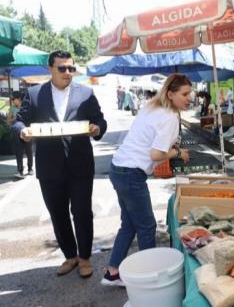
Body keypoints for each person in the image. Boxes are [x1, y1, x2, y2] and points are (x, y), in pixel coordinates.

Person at [13, 50, 107, 278]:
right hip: (49, 167)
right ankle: (70, 256)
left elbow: (100, 120)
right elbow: (18, 121)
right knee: (58, 213)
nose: (67, 72)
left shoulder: (85, 93)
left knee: (82, 212)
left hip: (80, 165)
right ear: (50, 69)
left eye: (71, 68)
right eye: (62, 68)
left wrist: (97, 129)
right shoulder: (35, 94)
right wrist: (22, 131)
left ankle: (84, 257)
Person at [101, 73, 192, 286]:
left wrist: (173, 148)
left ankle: (113, 272)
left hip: (119, 168)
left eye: (190, 94)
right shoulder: (169, 117)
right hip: (132, 173)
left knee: (130, 224)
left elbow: (151, 139)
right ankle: (147, 279)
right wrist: (178, 154)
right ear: (170, 94)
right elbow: (156, 155)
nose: (189, 98)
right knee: (147, 226)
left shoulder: (153, 107)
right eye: (185, 94)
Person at [7, 91, 33, 179]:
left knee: (29, 150)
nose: (13, 101)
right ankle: (20, 171)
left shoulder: (25, 106)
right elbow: (8, 121)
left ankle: (30, 168)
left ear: (18, 99)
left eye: (13, 99)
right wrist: (15, 118)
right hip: (16, 131)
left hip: (27, 130)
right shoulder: (12, 108)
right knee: (19, 152)